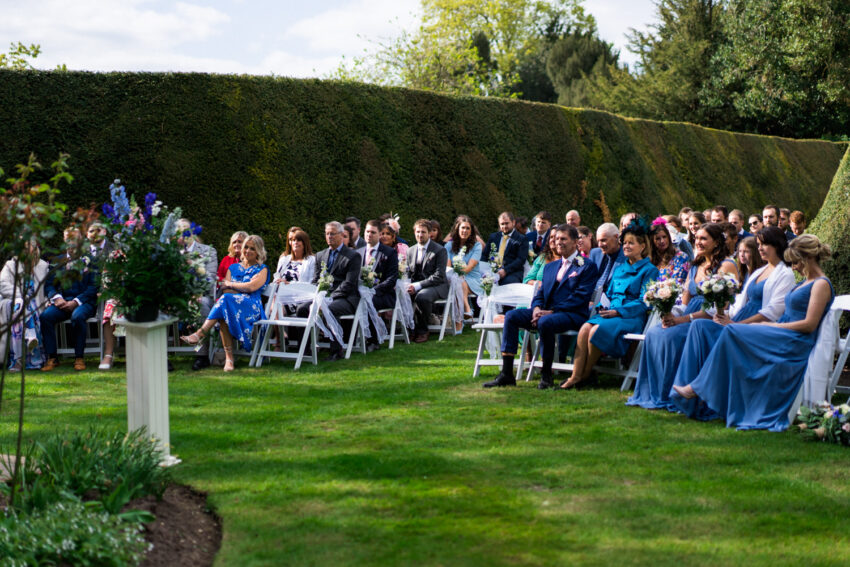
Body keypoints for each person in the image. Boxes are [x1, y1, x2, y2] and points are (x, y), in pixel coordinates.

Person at [672, 234, 834, 432]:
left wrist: (772, 326)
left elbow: (809, 324)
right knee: (730, 331)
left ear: (806, 258)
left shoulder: (821, 284)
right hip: (781, 333)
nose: (793, 266)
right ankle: (707, 392)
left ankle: (699, 388)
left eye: (795, 261)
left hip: (793, 341)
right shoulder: (804, 282)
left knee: (732, 330)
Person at [669, 226, 795, 420]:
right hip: (738, 321)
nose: (760, 249)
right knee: (699, 326)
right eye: (759, 244)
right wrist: (724, 315)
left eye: (765, 244)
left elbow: (772, 312)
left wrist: (736, 324)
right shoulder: (759, 271)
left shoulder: (785, 274)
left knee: (721, 330)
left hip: (754, 327)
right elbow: (739, 303)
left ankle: (697, 389)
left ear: (777, 246)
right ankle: (688, 395)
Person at [626, 223, 738, 410]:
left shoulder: (726, 265)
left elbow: (721, 307)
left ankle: (676, 396)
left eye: (704, 239)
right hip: (688, 315)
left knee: (671, 337)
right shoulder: (697, 264)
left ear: (717, 242)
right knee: (655, 333)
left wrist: (681, 320)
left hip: (708, 319)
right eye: (697, 238)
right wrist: (670, 313)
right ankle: (655, 393)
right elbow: (684, 301)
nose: (698, 242)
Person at [483, 225, 599, 389]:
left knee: (546, 322)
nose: (559, 242)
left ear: (575, 242)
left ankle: (546, 375)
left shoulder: (586, 265)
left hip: (572, 314)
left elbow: (580, 297)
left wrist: (551, 311)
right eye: (557, 239)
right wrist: (537, 308)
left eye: (563, 239)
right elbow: (540, 292)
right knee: (512, 316)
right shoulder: (551, 266)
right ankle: (507, 374)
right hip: (546, 312)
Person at [562, 222, 658, 390]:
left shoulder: (650, 270)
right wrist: (601, 307)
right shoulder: (620, 269)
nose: (626, 246)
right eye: (625, 243)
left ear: (642, 246)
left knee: (595, 330)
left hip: (630, 317)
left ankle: (586, 375)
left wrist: (617, 311)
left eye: (631, 243)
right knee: (585, 328)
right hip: (609, 313)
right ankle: (575, 376)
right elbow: (609, 294)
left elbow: (645, 301)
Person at [182, 235, 270, 371]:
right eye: (246, 247)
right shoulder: (233, 268)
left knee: (226, 303)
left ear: (259, 252)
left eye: (252, 248)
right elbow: (226, 289)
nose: (247, 251)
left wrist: (233, 284)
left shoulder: (262, 269)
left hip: (252, 307)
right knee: (226, 306)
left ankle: (201, 334)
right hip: (231, 304)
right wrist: (242, 286)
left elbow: (252, 288)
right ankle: (228, 359)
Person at [299, 221, 362, 360]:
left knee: (330, 309)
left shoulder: (352, 256)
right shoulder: (320, 255)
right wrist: (317, 296)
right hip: (322, 297)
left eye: (332, 234)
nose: (329, 237)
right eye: (327, 234)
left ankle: (336, 352)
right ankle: (304, 348)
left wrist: (329, 298)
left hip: (346, 298)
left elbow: (349, 283)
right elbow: (316, 280)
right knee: (302, 309)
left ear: (341, 235)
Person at [40, 227, 99, 372]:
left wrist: (76, 302)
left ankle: (79, 357)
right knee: (45, 316)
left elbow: (93, 286)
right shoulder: (57, 261)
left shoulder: (91, 261)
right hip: (63, 302)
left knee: (77, 316)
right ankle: (52, 357)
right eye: (68, 238)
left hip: (84, 303)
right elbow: (49, 285)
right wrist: (57, 298)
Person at [176, 218, 218, 371]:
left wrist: (193, 265)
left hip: (201, 294)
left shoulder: (208, 251)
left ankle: (202, 355)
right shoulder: (170, 253)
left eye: (183, 231)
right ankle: (162, 356)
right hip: (177, 297)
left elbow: (210, 279)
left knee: (202, 302)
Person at [1, 240, 49, 371]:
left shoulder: (43, 266)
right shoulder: (10, 265)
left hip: (36, 305)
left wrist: (49, 300)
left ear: (35, 250)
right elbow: (3, 285)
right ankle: (30, 338)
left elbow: (47, 288)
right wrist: (21, 295)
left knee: (22, 310)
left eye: (28, 248)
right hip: (13, 302)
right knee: (21, 305)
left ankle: (18, 361)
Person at [359, 219, 399, 349]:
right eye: (367, 231)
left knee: (369, 301)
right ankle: (351, 337)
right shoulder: (357, 253)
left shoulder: (389, 253)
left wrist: (374, 290)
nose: (369, 235)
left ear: (379, 234)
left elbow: (392, 279)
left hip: (383, 294)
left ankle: (373, 340)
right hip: (360, 292)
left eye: (373, 232)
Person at [407, 219, 449, 343]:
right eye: (418, 232)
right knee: (401, 295)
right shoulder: (410, 250)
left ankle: (423, 330)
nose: (420, 235)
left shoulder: (440, 250)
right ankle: (409, 329)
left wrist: (418, 285)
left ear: (430, 233)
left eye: (423, 232)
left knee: (422, 297)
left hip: (437, 285)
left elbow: (439, 275)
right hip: (416, 285)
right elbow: (408, 272)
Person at [444, 215, 483, 329]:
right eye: (462, 228)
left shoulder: (477, 246)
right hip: (454, 279)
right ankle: (467, 309)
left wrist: (457, 275)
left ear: (471, 231)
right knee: (457, 281)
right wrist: (454, 275)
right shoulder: (449, 246)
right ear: (457, 229)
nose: (465, 231)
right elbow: (448, 267)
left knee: (459, 282)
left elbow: (469, 268)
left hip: (473, 279)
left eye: (467, 228)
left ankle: (459, 321)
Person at [481, 212, 526, 285]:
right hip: (491, 270)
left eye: (507, 223)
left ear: (513, 222)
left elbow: (520, 260)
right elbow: (484, 256)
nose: (504, 226)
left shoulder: (521, 239)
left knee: (507, 284)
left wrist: (505, 270)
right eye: (502, 224)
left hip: (512, 273)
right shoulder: (493, 237)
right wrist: (484, 271)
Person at [589, 223, 625, 298]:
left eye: (603, 240)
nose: (600, 245)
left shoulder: (626, 256)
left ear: (616, 237)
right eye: (598, 241)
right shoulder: (595, 253)